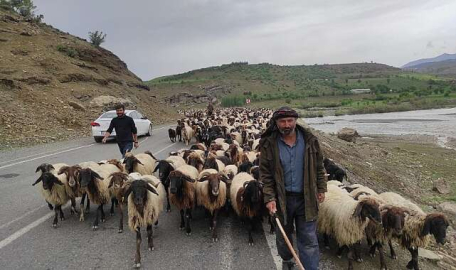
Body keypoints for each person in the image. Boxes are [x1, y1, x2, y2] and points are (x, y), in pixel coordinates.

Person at [259, 106, 327, 270]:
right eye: (282, 121)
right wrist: (269, 197)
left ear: (295, 121)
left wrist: (321, 187)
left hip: (306, 198)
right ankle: (287, 259)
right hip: (282, 199)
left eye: (290, 120)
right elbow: (266, 174)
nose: (287, 124)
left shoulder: (310, 141)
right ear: (276, 123)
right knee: (283, 237)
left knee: (309, 238)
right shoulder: (269, 144)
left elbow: (319, 166)